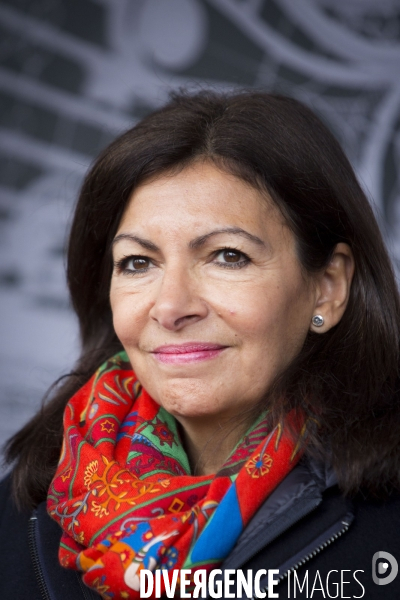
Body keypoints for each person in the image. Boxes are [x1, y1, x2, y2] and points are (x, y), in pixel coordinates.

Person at [1, 90, 400, 600]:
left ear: (328, 287)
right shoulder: (20, 511)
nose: (171, 306)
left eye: (227, 256)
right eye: (138, 263)